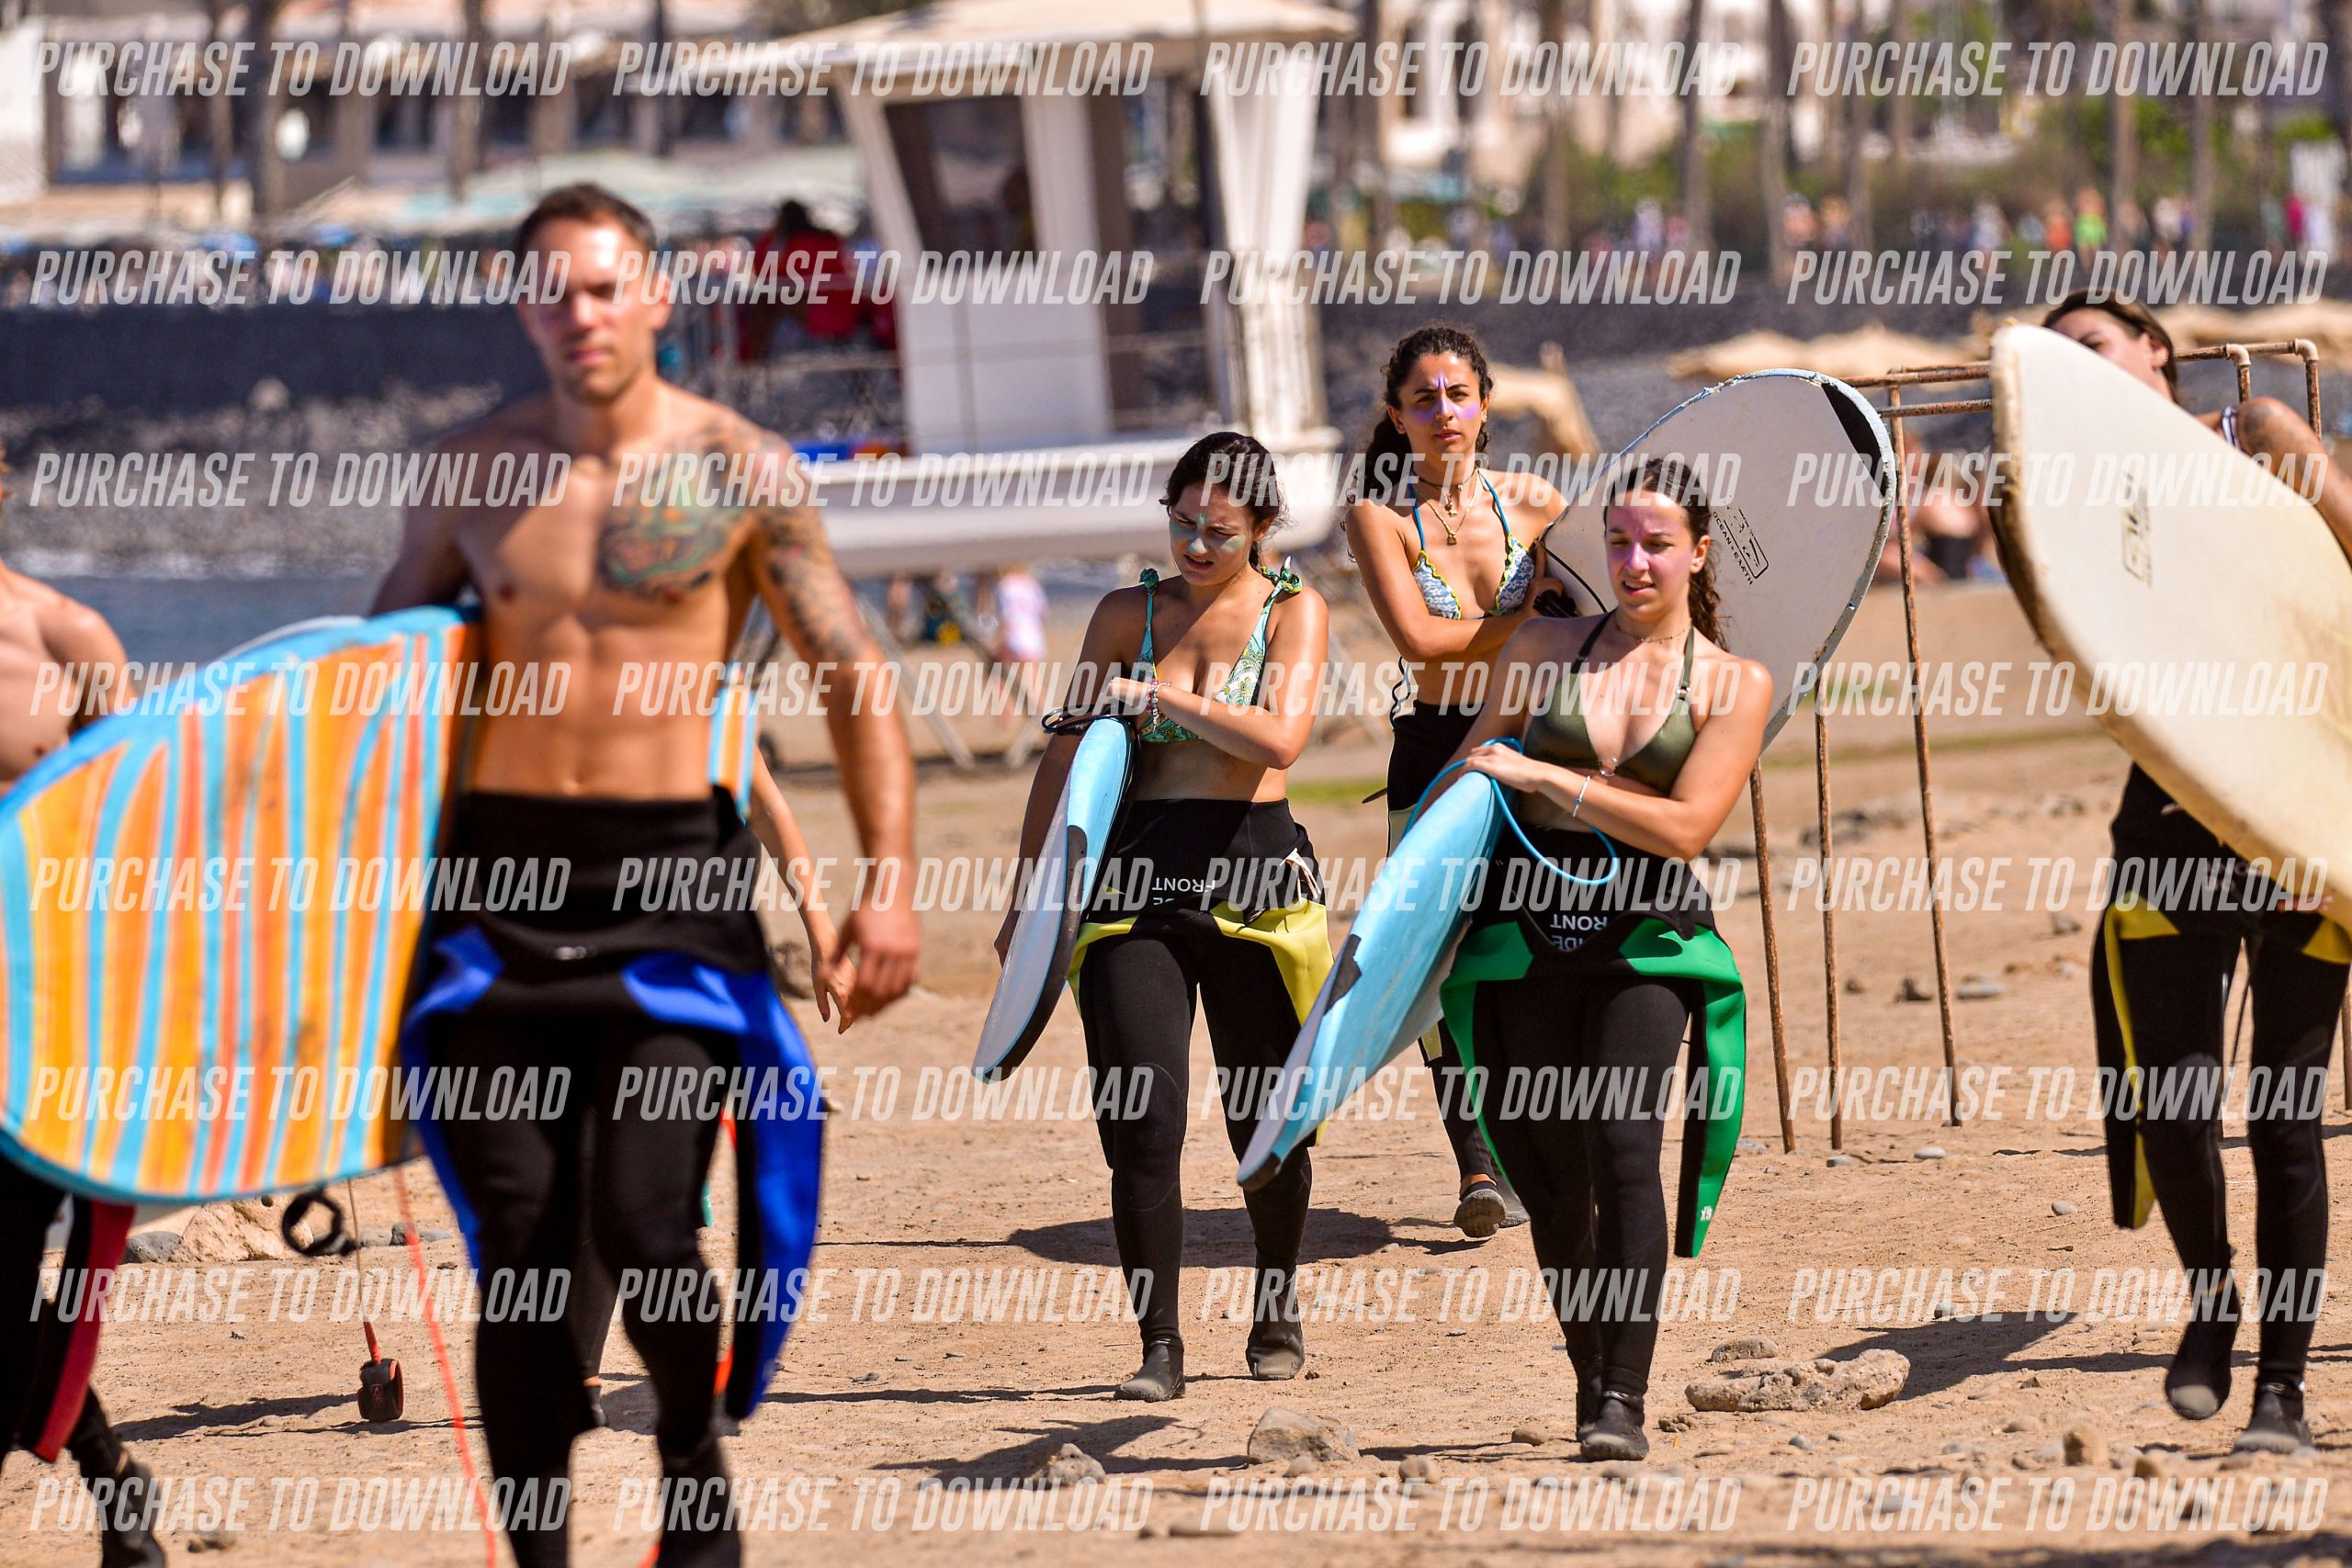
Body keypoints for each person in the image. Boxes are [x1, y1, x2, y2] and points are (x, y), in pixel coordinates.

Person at [372, 182, 919, 1566]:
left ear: (658, 295)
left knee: (646, 1221)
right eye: (554, 290)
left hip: (674, 894)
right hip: (495, 906)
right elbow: (370, 691)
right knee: (519, 1250)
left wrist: (888, 883)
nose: (583, 314)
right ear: (522, 307)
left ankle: (689, 1456)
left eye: (607, 285)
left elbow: (852, 674)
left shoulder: (741, 469)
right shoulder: (468, 473)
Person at [2050, 290, 2352, 1456]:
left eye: (2093, 347)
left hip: (2299, 815)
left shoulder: (2254, 431)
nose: (2079, 370)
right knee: (2170, 1104)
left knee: (2283, 1114)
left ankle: (2281, 1387)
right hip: (2171, 827)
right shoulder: (2082, 494)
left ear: (2155, 351)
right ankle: (2211, 1301)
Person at [1425, 457, 1770, 1461]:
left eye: (1657, 543)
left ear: (1698, 552)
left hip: (1646, 937)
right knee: (1548, 1172)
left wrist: (1549, 777)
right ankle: (1589, 1372)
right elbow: (1470, 769)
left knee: (1623, 1145)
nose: (1634, 561)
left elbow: (1687, 825)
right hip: (1522, 930)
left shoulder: (1733, 682)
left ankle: (1623, 1393)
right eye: (1619, 542)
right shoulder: (1541, 646)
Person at [995, 432, 1331, 1403]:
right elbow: (1067, 756)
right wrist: (1029, 899)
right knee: (1140, 1123)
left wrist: (1159, 698)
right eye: (1180, 523)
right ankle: (1160, 1345)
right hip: (1134, 884)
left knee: (1265, 1119)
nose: (1194, 544)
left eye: (1218, 530)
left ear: (1261, 527)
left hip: (1256, 883)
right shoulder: (1122, 614)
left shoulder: (1293, 612)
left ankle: (1276, 1298)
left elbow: (1280, 739)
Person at [1344, 322, 1566, 1239]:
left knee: (1531, 947)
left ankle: (1533, 1147)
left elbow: (1602, 616)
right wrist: (1535, 626)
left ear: (1485, 402)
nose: (1443, 412)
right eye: (1423, 399)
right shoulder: (1379, 518)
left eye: (1458, 394)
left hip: (1533, 743)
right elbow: (1422, 641)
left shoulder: (1540, 503)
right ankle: (1477, 1164)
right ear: (1396, 416)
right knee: (1434, 958)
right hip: (1434, 747)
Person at [0, 543, 162, 1567]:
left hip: (35, 1021)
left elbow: (144, 844)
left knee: (10, 1273)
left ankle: (112, 1475)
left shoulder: (69, 640)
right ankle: (113, 1474)